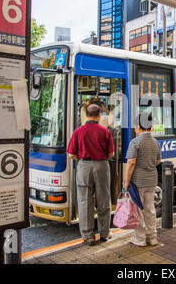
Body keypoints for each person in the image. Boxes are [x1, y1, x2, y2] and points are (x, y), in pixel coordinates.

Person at [67, 104, 114, 246]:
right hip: (101, 165)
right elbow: (111, 153)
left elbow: (71, 155)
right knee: (104, 199)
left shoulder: (78, 132)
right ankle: (105, 233)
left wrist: (81, 159)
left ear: (86, 115)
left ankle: (88, 236)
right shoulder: (105, 132)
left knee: (84, 200)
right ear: (99, 115)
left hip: (84, 166)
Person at [123, 113, 162, 247]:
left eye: (135, 126)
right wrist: (148, 166)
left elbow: (131, 163)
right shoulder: (155, 142)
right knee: (150, 209)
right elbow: (158, 161)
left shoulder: (135, 142)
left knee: (138, 210)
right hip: (151, 181)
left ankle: (140, 239)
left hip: (137, 182)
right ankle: (152, 237)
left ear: (139, 126)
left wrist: (126, 182)